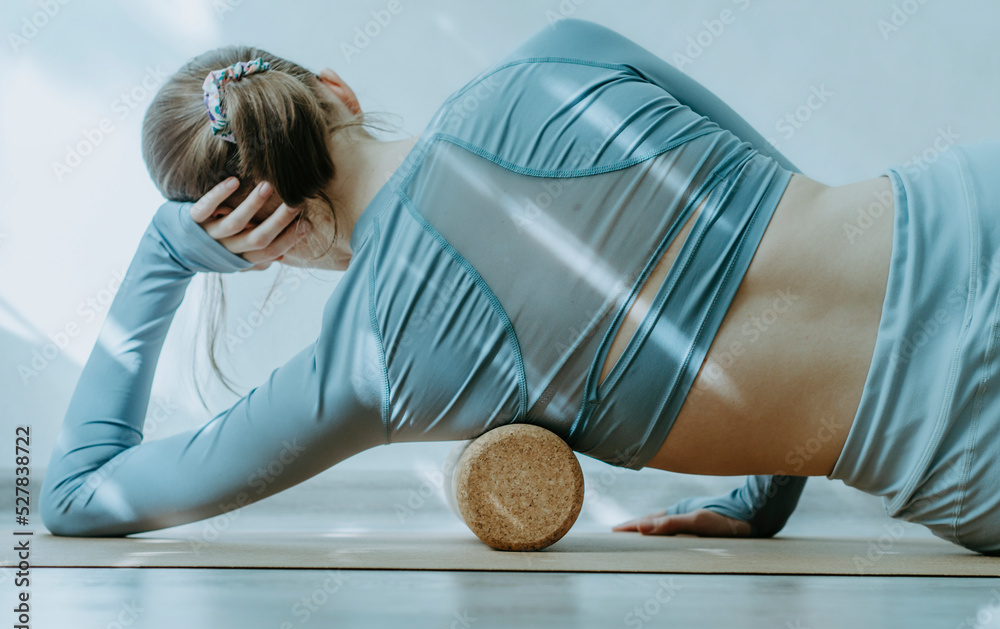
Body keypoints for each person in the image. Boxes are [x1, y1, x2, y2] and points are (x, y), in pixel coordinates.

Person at [38, 18, 1000, 556]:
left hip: (970, 451)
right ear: (334, 91)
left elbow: (76, 496)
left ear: (256, 236)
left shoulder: (368, 367)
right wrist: (763, 492)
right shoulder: (561, 53)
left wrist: (160, 259)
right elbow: (779, 203)